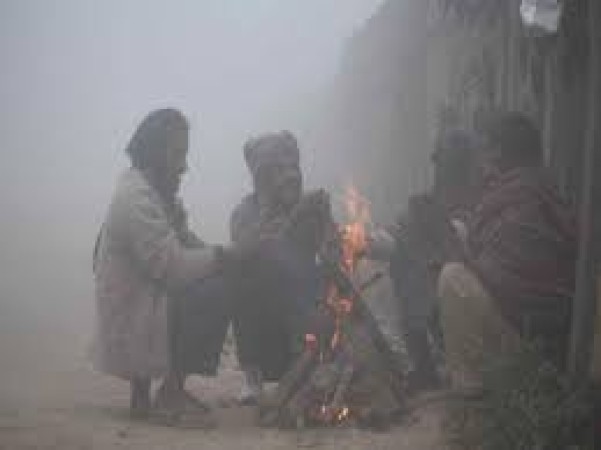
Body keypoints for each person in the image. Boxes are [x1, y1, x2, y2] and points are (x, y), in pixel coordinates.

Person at [93, 108, 235, 423]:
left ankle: (144, 398)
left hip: (140, 305)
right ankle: (171, 393)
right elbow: (173, 268)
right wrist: (225, 258)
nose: (184, 167)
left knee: (213, 274)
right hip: (132, 318)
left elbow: (186, 243)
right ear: (155, 154)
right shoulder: (136, 199)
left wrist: (225, 256)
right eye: (177, 155)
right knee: (214, 290)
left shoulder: (154, 193)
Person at [438, 112, 577, 392]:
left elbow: (504, 280)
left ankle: (472, 388)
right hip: (560, 341)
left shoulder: (515, 196)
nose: (482, 163)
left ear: (499, 154)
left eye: (486, 151)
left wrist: (463, 258)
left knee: (452, 278)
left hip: (529, 342)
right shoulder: (546, 190)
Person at [367, 127, 477, 392]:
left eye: (450, 161)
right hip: (430, 292)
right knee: (403, 264)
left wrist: (443, 238)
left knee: (415, 264)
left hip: (466, 295)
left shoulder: (479, 198)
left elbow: (466, 245)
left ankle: (426, 365)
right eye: (440, 161)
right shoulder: (427, 201)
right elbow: (399, 232)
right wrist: (362, 240)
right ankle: (421, 364)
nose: (442, 169)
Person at [230, 131, 330, 404]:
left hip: (309, 319)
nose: (289, 176)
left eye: (292, 167)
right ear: (261, 178)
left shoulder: (312, 206)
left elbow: (336, 250)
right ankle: (253, 377)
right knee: (243, 272)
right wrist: (274, 214)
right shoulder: (245, 213)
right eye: (277, 170)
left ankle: (313, 367)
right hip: (268, 325)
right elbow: (243, 251)